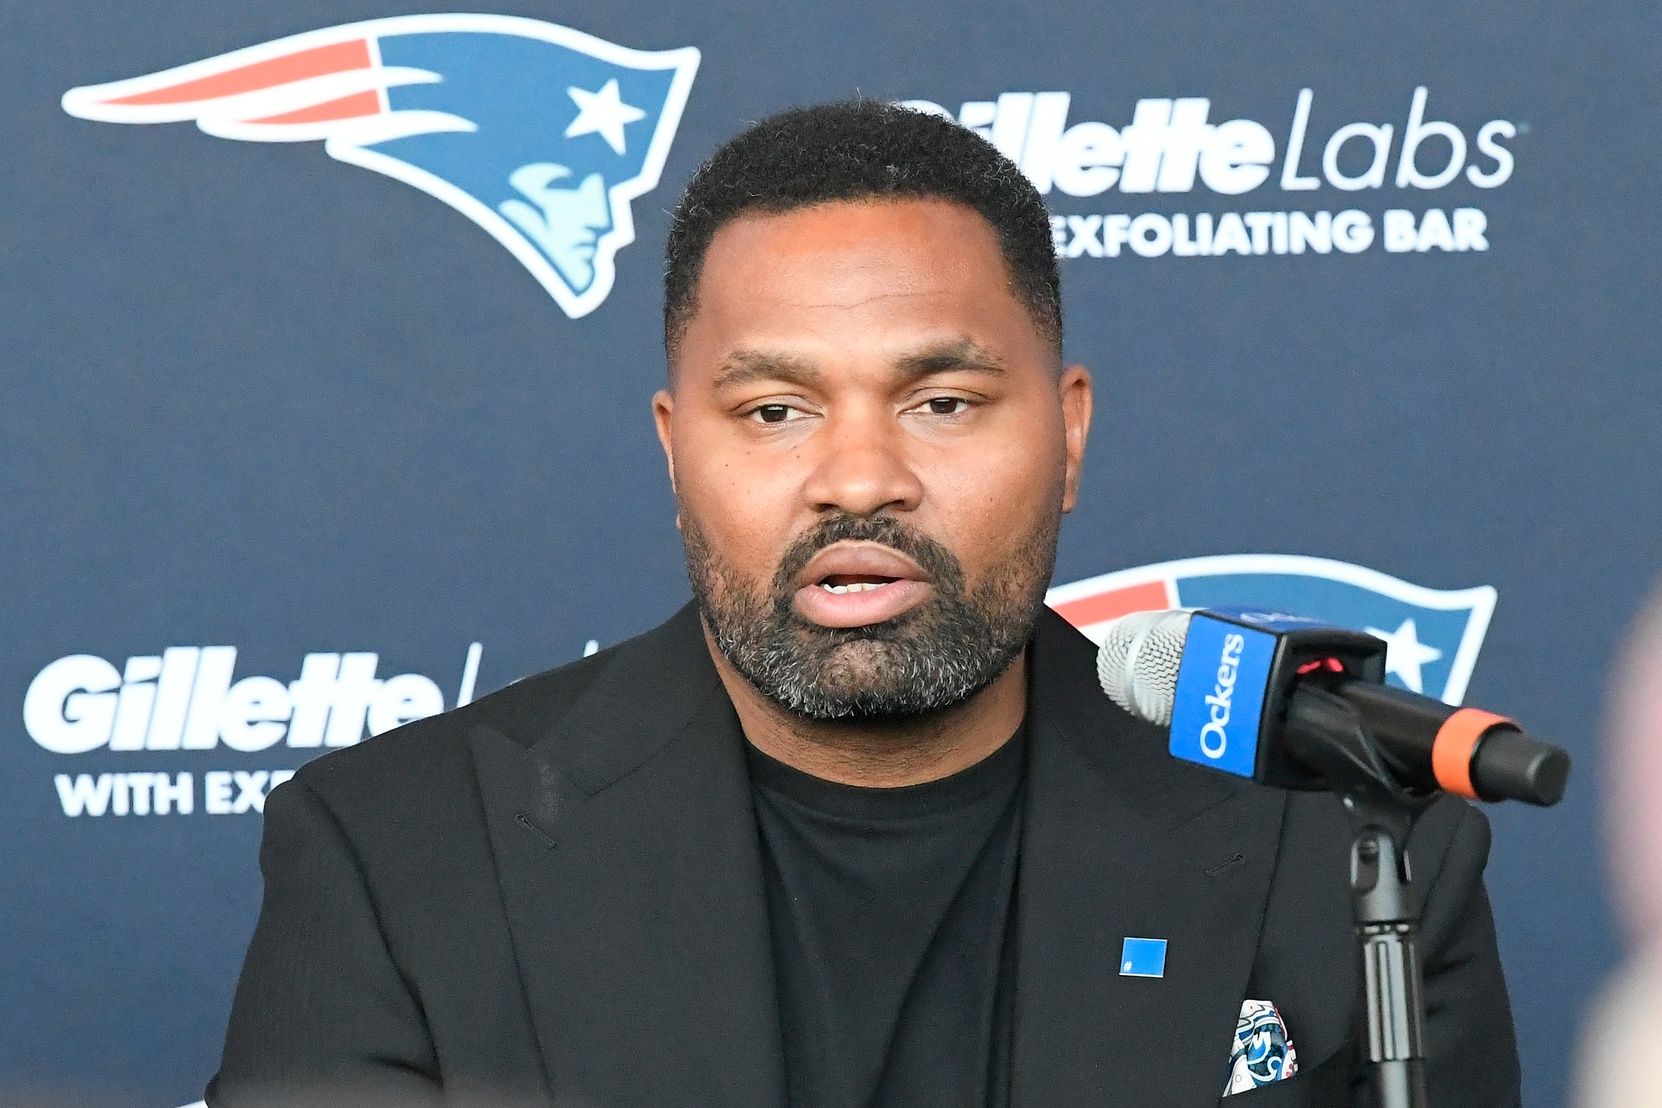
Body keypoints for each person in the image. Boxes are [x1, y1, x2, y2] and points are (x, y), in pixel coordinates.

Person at [206, 101, 1520, 1107]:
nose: (858, 480)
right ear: (674, 452)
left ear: (1066, 437)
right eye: (773, 411)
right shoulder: (397, 855)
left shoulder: (1346, 861)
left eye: (940, 403)